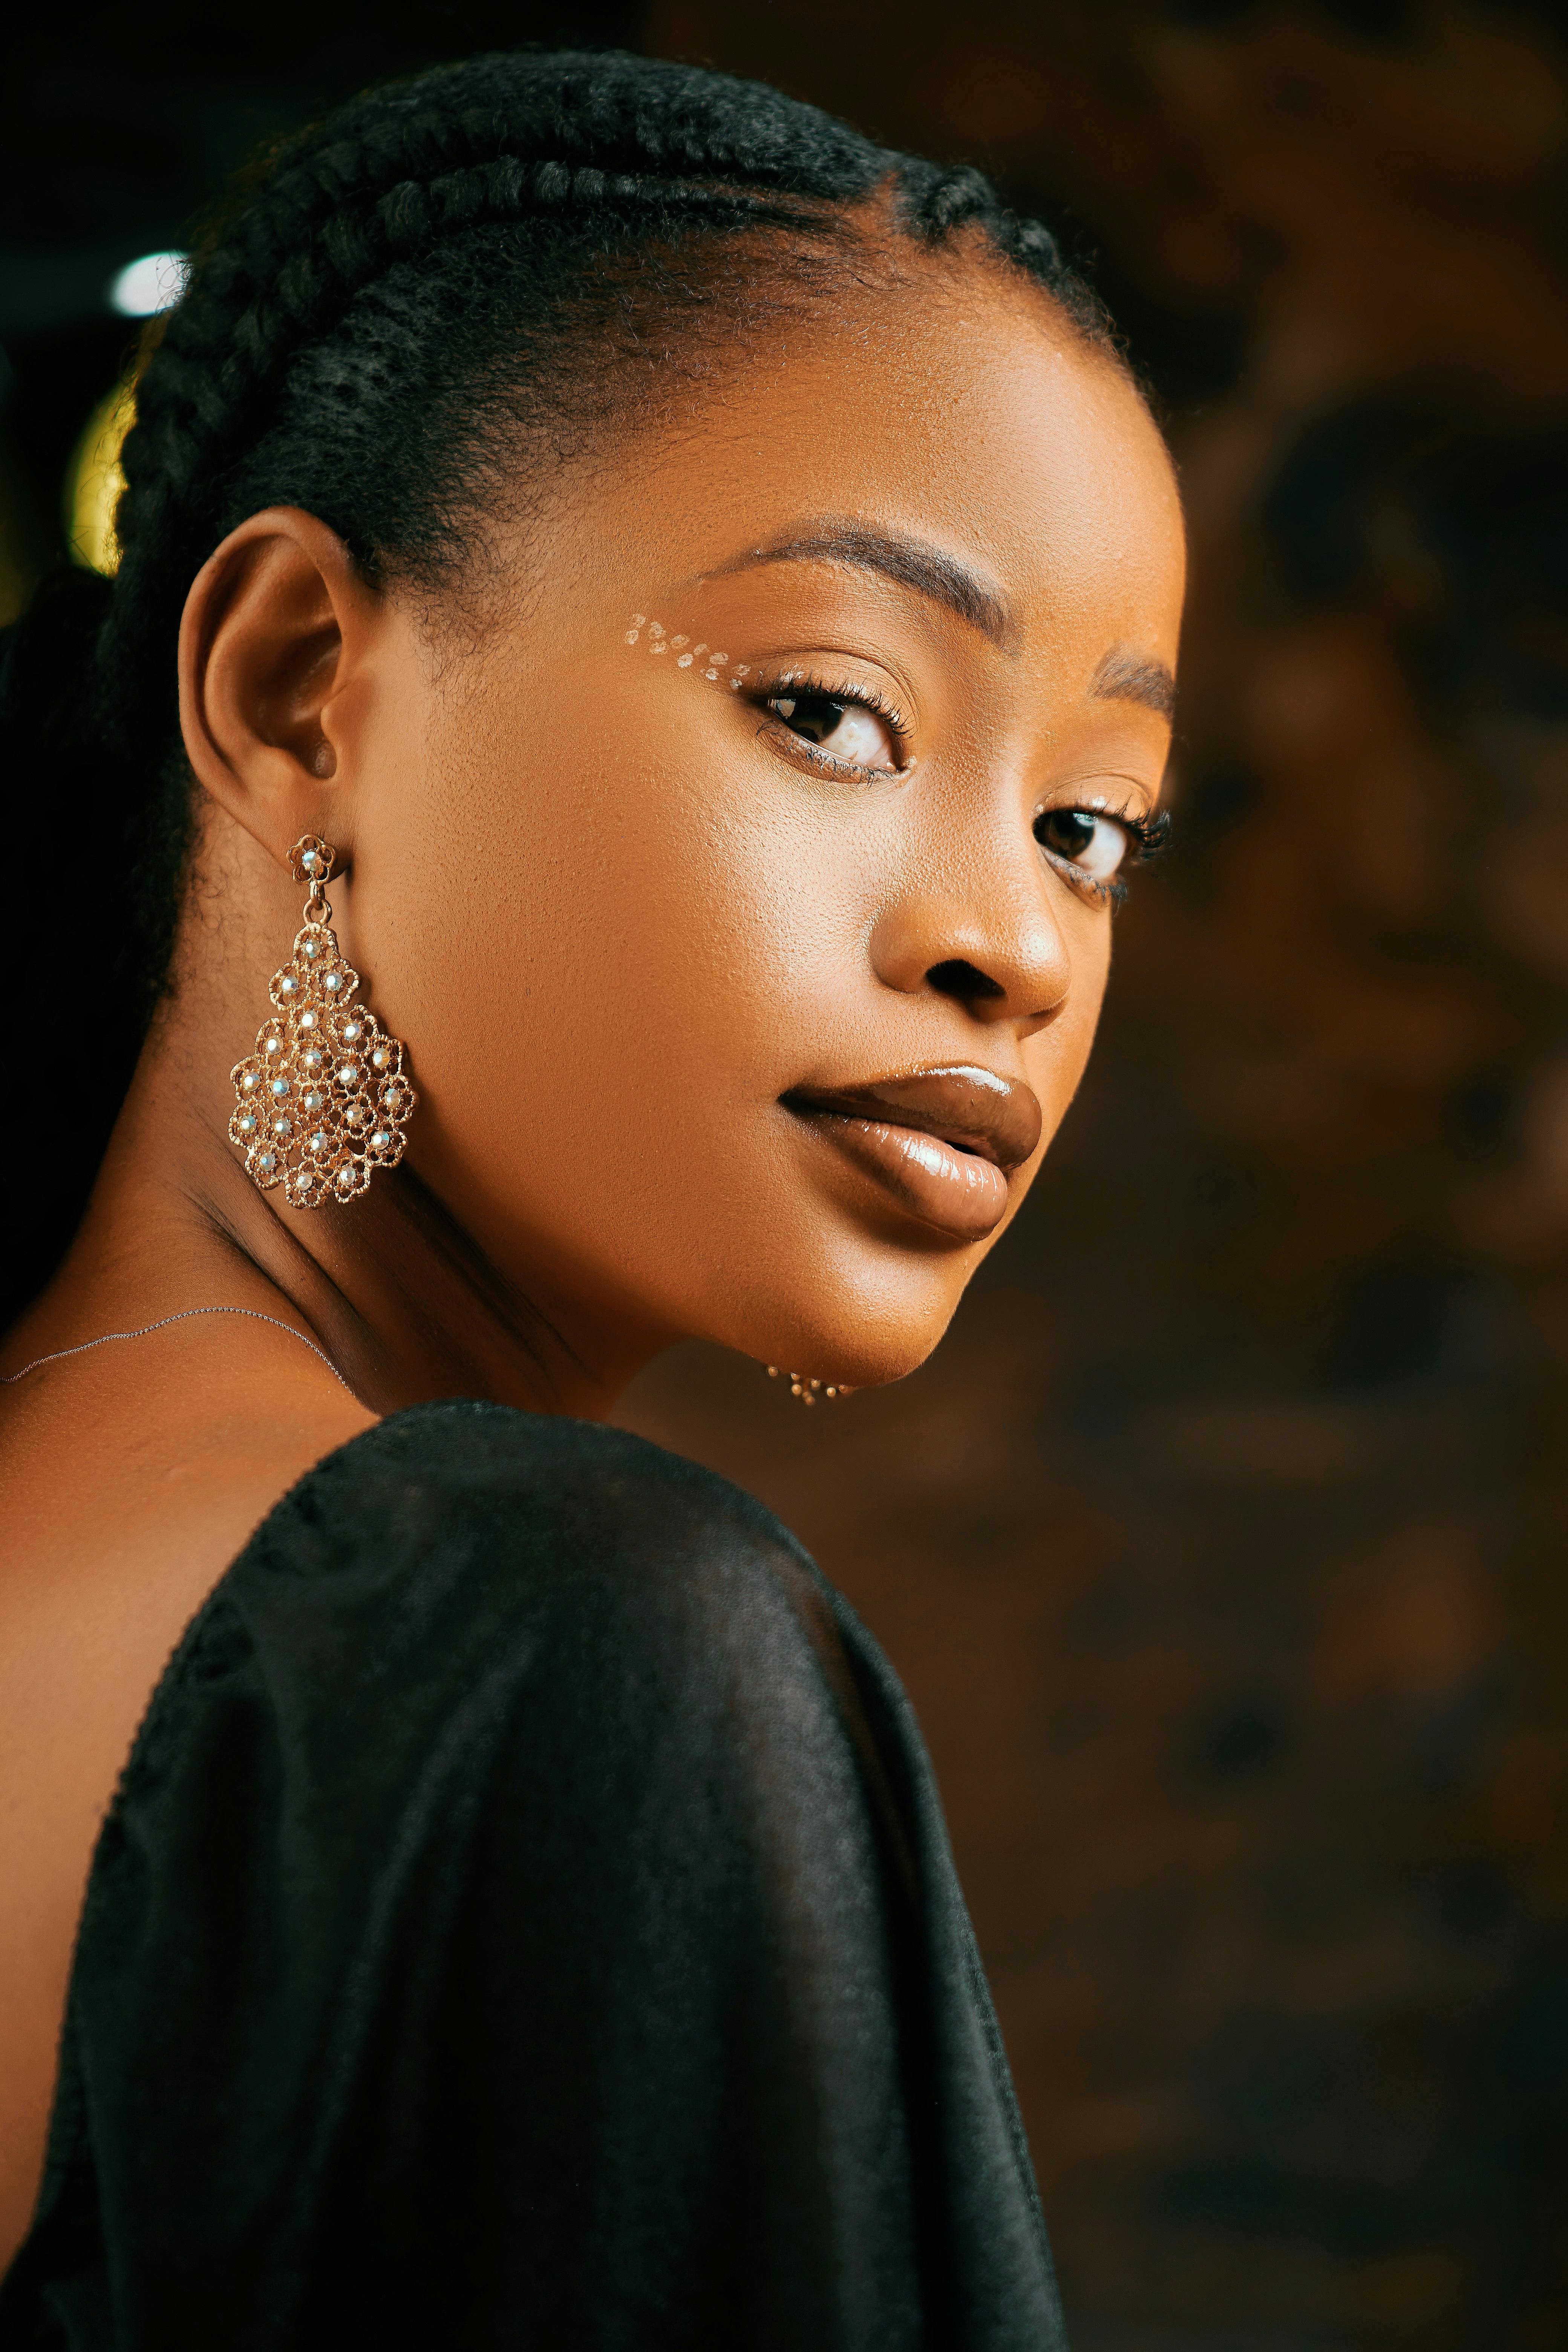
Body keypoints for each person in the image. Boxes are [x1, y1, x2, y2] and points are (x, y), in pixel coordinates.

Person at [0, 47, 1183, 2348]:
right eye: (836, 707)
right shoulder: (562, 1642)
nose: (1018, 946)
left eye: (1094, 825)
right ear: (299, 683)